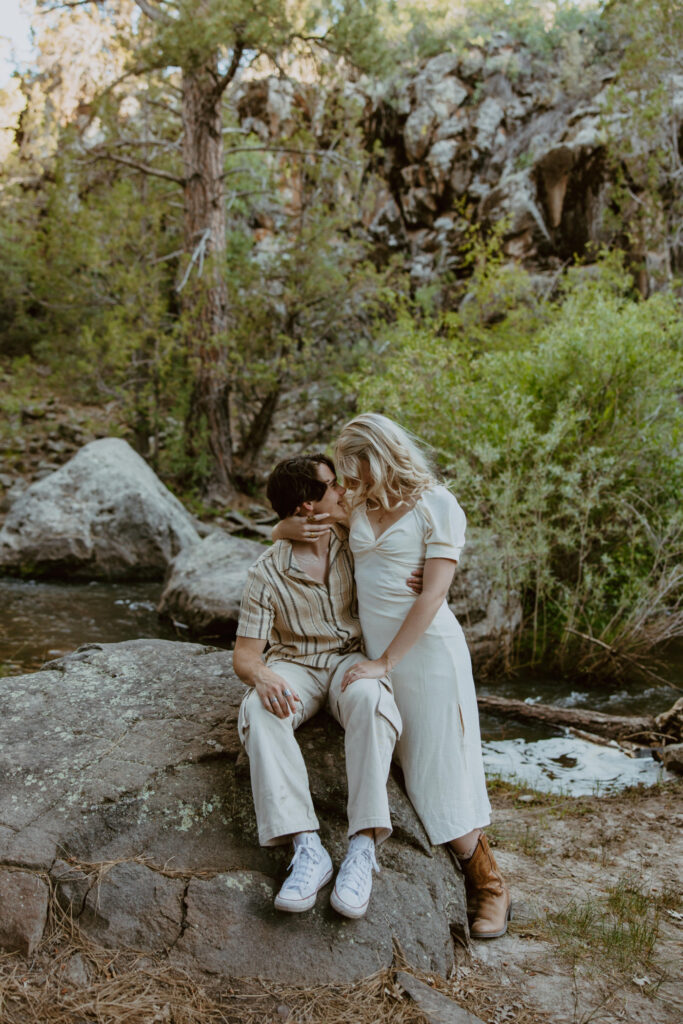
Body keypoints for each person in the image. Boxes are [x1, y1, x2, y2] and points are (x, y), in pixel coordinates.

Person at [275, 414, 510, 939]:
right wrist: (279, 528)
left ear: (380, 458)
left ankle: (490, 885)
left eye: (354, 470)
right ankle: (474, 869)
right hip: (374, 650)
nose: (348, 483)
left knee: (435, 770)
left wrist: (386, 663)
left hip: (425, 654)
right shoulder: (359, 504)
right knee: (401, 764)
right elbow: (303, 524)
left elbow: (432, 594)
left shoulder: (437, 505)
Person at [233, 452, 413, 920]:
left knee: (371, 698)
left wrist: (420, 573)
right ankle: (308, 849)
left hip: (351, 660)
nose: (341, 490)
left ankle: (362, 848)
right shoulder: (266, 573)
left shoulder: (352, 538)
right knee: (259, 709)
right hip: (295, 666)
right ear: (306, 507)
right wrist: (263, 675)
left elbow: (407, 532)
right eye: (331, 486)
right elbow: (245, 656)